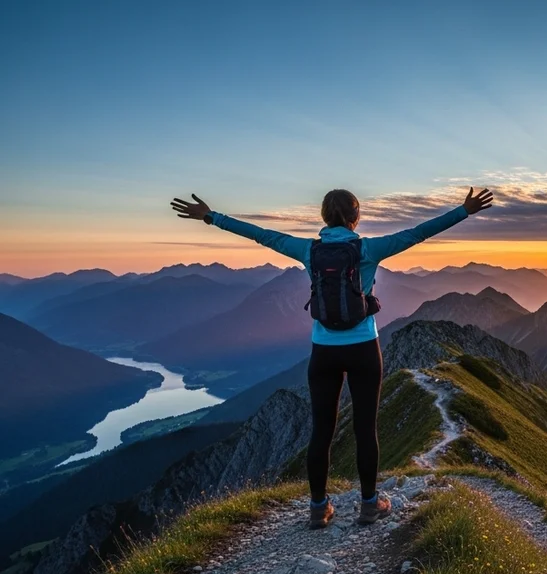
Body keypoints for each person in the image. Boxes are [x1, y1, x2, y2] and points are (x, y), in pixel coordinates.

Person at [170, 187, 493, 528]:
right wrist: (463, 211)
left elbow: (262, 235)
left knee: (321, 431)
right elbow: (417, 233)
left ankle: (318, 508)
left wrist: (211, 217)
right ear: (357, 217)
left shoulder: (309, 250)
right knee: (365, 429)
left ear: (323, 217)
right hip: (364, 348)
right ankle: (369, 505)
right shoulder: (368, 249)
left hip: (323, 351)